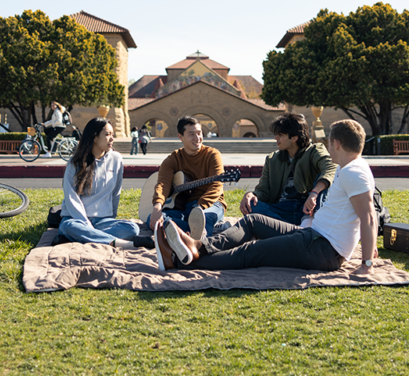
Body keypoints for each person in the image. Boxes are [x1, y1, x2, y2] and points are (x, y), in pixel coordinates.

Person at [154, 119, 378, 277]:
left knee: (252, 252)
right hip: (312, 234)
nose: (329, 148)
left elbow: (368, 217)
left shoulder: (353, 172)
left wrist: (367, 263)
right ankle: (198, 246)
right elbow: (366, 215)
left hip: (323, 249)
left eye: (330, 143)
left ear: (336, 144)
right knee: (254, 222)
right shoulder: (348, 167)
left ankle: (180, 260)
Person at [58, 117, 154, 249]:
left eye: (112, 135)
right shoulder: (75, 162)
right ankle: (122, 243)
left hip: (102, 220)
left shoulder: (116, 158)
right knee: (67, 226)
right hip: (76, 219)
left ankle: (81, 237)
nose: (112, 139)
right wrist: (85, 223)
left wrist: (111, 218)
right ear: (95, 137)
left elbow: (116, 192)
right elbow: (71, 198)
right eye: (107, 134)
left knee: (132, 229)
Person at [239, 113, 336, 227]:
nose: (276, 138)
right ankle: (292, 229)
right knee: (251, 205)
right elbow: (264, 191)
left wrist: (314, 193)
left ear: (294, 138)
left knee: (323, 182)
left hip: (307, 208)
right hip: (280, 209)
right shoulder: (272, 159)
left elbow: (331, 167)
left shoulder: (314, 150)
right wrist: (251, 194)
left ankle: (302, 226)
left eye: (280, 135)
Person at [149, 116, 225, 240]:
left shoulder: (213, 155)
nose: (197, 138)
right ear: (180, 137)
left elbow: (216, 185)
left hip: (210, 204)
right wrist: (157, 205)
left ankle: (186, 236)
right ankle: (195, 232)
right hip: (182, 207)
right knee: (154, 219)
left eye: (199, 133)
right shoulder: (172, 159)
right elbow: (163, 184)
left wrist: (200, 206)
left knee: (203, 219)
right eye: (191, 134)